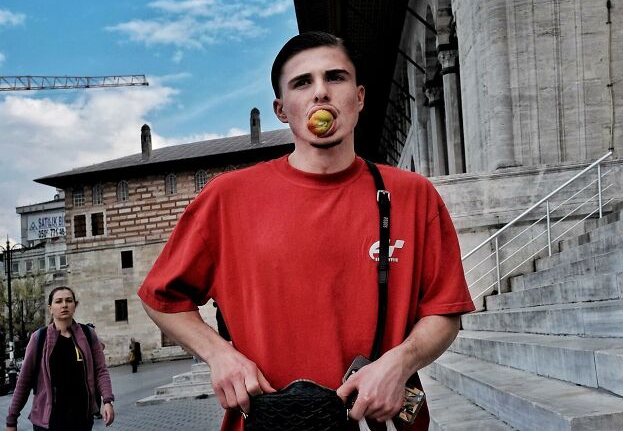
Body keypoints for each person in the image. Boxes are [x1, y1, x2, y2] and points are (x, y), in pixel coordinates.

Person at [138, 31, 475, 431]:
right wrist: (219, 355)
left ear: (359, 97)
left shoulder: (412, 195)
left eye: (335, 77)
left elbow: (444, 311)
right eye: (303, 82)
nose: (320, 93)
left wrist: (401, 362)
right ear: (282, 109)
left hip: (378, 422)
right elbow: (160, 297)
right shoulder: (228, 197)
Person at [6, 286, 115, 431]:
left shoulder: (88, 335)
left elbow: (100, 370)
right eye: (58, 301)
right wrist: (11, 420)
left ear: (74, 306)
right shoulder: (39, 338)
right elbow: (24, 380)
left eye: (69, 300)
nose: (64, 305)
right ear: (50, 308)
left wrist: (107, 400)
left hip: (81, 419)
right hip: (48, 421)